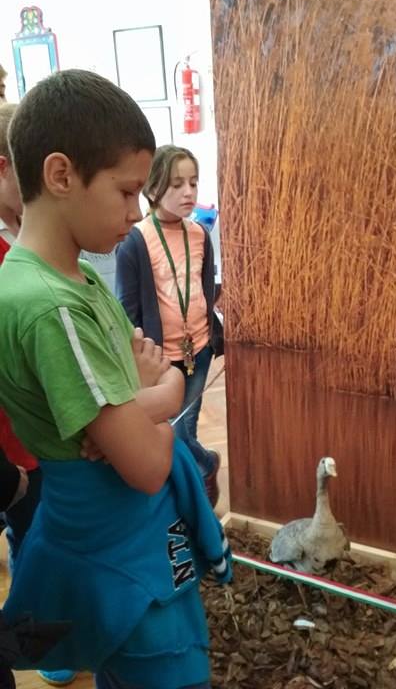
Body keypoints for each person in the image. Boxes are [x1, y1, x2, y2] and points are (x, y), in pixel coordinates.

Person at [0, 69, 231, 689]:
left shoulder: (77, 277)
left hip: (122, 539)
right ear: (60, 174)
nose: (136, 212)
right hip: (117, 548)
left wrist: (134, 406)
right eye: (127, 192)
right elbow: (147, 466)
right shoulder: (53, 308)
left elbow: (136, 388)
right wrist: (166, 393)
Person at [0, 101, 78, 687]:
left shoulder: (19, 243)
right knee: (35, 541)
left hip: (31, 445)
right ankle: (37, 642)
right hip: (14, 449)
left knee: (36, 534)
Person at [116, 145, 224, 508]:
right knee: (173, 433)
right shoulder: (135, 241)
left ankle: (192, 489)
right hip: (162, 360)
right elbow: (127, 311)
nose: (189, 192)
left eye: (193, 182)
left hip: (200, 350)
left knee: (185, 428)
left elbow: (205, 288)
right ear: (152, 188)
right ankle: (204, 468)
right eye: (177, 184)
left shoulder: (200, 235)